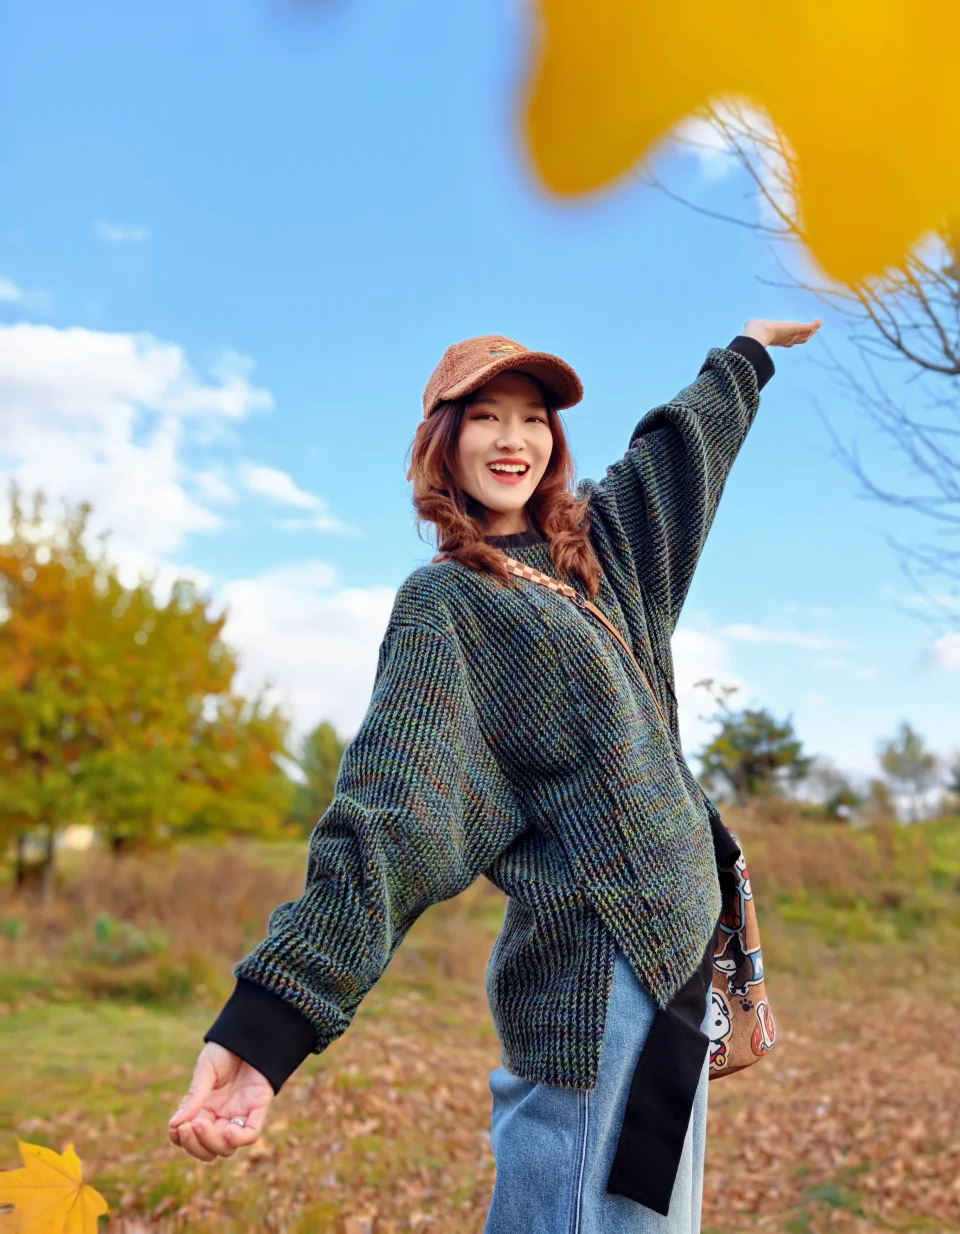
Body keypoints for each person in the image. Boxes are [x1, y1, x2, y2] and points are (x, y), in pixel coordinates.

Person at [168, 319, 821, 1231]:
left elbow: (676, 461)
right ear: (445, 439)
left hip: (674, 967)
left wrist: (744, 356)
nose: (514, 439)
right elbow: (392, 818)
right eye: (486, 416)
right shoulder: (449, 607)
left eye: (534, 418)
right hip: (595, 986)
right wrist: (267, 1026)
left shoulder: (595, 555)